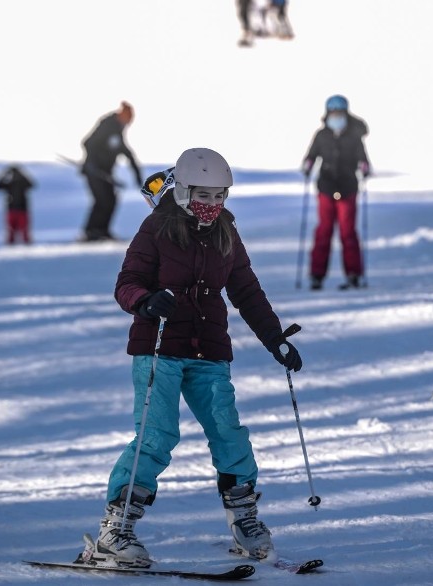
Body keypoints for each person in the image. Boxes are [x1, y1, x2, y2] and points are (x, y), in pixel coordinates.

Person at [82, 147, 303, 569]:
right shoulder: (156, 229)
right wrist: (145, 301)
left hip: (208, 349)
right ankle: (116, 528)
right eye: (205, 194)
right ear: (182, 191)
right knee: (156, 435)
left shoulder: (225, 232)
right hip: (159, 348)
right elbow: (127, 282)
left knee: (229, 432)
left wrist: (275, 338)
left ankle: (244, 520)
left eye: (221, 196)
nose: (214, 204)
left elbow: (246, 291)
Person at [301, 94, 371, 290]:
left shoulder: (354, 137)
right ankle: (317, 275)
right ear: (327, 113)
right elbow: (311, 155)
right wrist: (307, 165)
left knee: (348, 232)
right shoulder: (321, 135)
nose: (336, 116)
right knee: (324, 231)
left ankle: (353, 274)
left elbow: (363, 159)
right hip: (326, 188)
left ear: (346, 113)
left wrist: (365, 167)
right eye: (333, 112)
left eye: (339, 112)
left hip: (348, 188)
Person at [80, 101, 143, 242]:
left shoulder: (118, 132)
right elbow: (87, 143)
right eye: (128, 118)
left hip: (105, 173)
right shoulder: (107, 125)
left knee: (110, 200)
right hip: (94, 172)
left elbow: (127, 153)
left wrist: (137, 175)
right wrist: (91, 163)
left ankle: (102, 230)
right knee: (102, 200)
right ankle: (91, 232)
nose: (129, 122)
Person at [0, 164, 35, 245]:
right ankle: (11, 246)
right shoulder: (9, 184)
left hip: (21, 210)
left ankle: (26, 246)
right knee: (11, 231)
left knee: (24, 231)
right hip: (12, 210)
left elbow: (31, 185)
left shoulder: (22, 183)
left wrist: (6, 174)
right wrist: (5, 174)